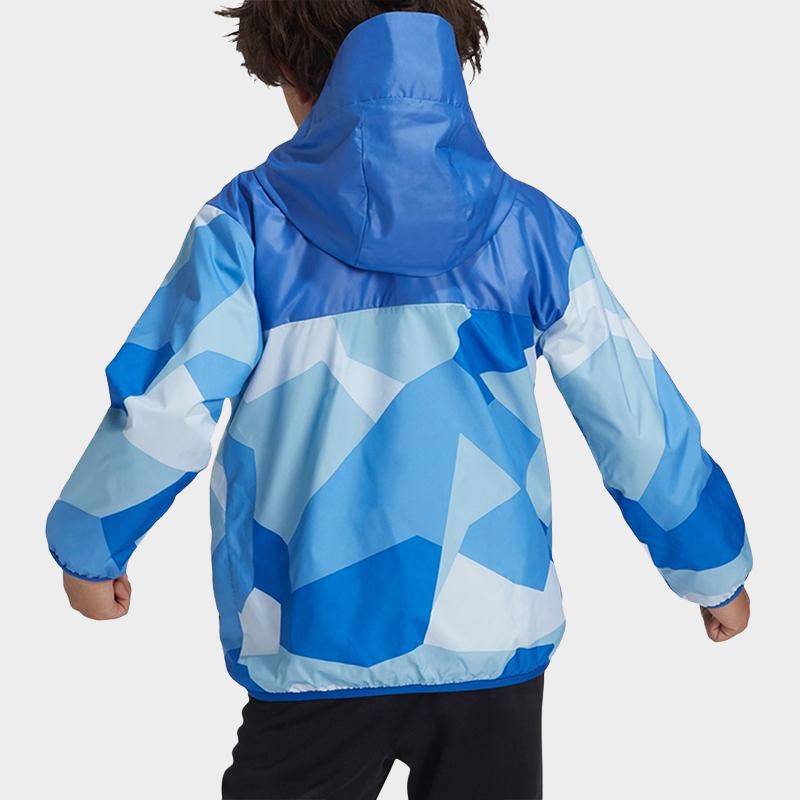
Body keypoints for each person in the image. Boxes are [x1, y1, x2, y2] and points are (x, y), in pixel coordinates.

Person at [46, 3, 752, 798]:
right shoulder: (530, 229)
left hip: (315, 635)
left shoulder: (246, 225)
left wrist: (93, 542)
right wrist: (712, 567)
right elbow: (634, 417)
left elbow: (168, 406)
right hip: (491, 633)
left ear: (290, 72)